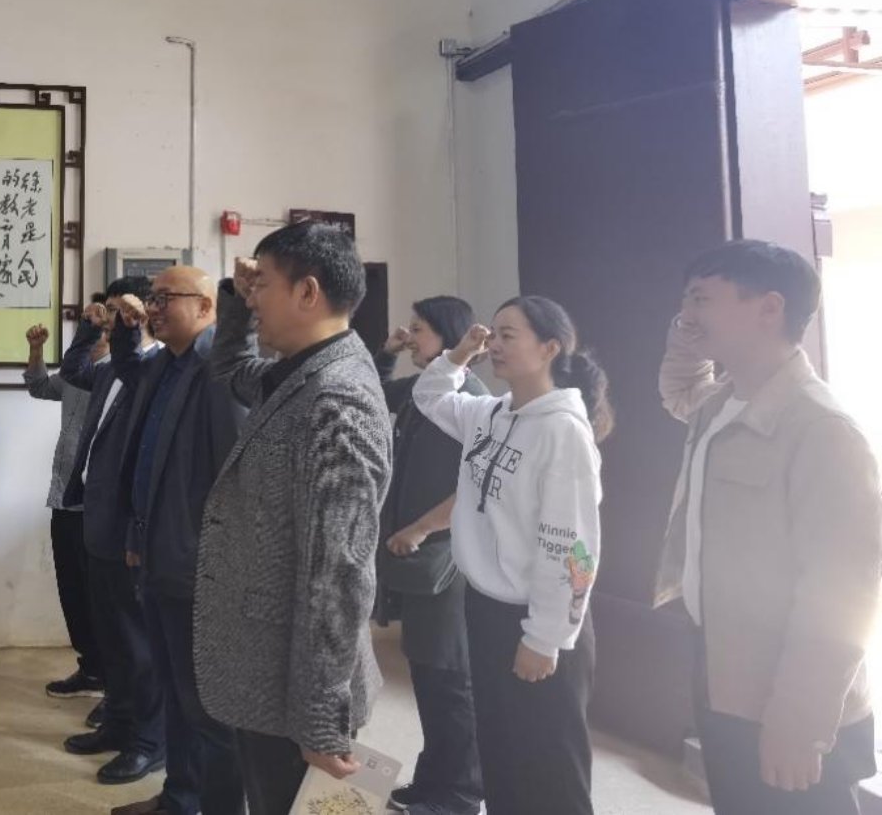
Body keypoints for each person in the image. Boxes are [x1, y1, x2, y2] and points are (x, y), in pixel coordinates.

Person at [657, 241, 880, 815]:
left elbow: (844, 594)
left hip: (789, 696)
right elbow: (679, 389)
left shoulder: (822, 428)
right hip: (725, 670)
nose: (686, 314)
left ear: (769, 308)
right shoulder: (721, 404)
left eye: (702, 299)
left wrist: (801, 720)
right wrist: (687, 331)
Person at [197, 222, 392, 815]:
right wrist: (235, 299)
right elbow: (230, 370)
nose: (255, 297)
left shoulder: (337, 399)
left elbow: (340, 573)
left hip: (297, 683)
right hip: (269, 669)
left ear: (307, 292)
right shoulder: (299, 372)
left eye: (264, 285)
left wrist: (321, 716)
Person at [412, 297, 610, 815]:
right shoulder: (490, 414)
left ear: (550, 348)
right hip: (486, 607)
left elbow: (573, 545)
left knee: (550, 769)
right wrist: (460, 353)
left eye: (508, 335)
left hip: (539, 619)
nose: (494, 345)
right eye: (491, 334)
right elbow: (430, 395)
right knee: (501, 754)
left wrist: (545, 636)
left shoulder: (563, 430)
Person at [105, 267, 245, 815]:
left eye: (166, 298)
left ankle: (214, 805)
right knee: (175, 694)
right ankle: (180, 798)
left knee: (205, 707)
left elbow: (232, 478)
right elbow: (148, 460)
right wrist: (137, 532)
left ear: (207, 307)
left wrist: (208, 557)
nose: (154, 307)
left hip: (196, 564)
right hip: (157, 553)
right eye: (153, 298)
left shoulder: (219, 370)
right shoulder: (165, 363)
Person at [375, 298, 486, 815]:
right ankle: (432, 782)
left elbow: (477, 487)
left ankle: (459, 795)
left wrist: (422, 528)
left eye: (419, 329)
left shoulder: (474, 400)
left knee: (451, 681)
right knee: (427, 673)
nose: (410, 335)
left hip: (449, 559)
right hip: (421, 560)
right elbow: (372, 393)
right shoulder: (423, 392)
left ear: (450, 337)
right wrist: (387, 351)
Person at [60, 278, 167, 786]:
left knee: (138, 642)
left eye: (120, 310)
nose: (112, 318)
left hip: (130, 528)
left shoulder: (159, 369)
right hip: (97, 518)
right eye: (108, 310)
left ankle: (149, 742)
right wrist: (88, 327)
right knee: (111, 636)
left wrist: (137, 532)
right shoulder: (110, 369)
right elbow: (72, 371)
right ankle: (119, 723)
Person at [24, 316, 108, 700]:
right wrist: (36, 351)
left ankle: (111, 677)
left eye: (104, 327)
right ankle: (90, 667)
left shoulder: (121, 377)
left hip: (96, 503)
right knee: (71, 588)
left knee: (98, 594)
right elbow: (40, 387)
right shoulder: (76, 375)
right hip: (63, 495)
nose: (95, 336)